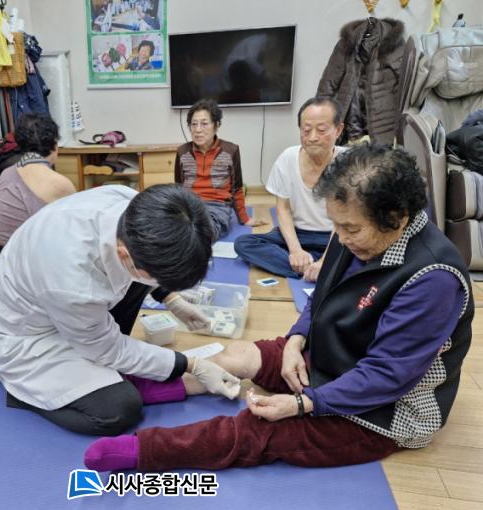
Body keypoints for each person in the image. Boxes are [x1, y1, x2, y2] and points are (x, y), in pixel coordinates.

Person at [83, 144, 474, 473]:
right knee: (239, 356)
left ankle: (145, 450)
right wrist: (296, 339)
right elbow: (322, 296)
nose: (340, 238)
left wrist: (304, 404)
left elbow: (387, 376)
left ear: (397, 218)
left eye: (350, 229)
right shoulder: (356, 231)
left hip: (381, 409)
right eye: (336, 226)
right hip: (330, 358)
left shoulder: (433, 278)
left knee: (258, 430)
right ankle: (150, 389)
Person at [0, 184, 241, 436]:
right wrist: (191, 365)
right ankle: (26, 394)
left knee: (137, 282)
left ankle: (105, 368)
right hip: (25, 336)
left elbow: (148, 262)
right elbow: (108, 349)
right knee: (118, 410)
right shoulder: (73, 282)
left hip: (61, 304)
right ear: (124, 255)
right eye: (158, 279)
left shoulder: (134, 206)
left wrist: (171, 298)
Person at [234, 97, 345, 281]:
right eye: (306, 130)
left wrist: (326, 260)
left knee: (361, 251)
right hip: (298, 234)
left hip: (336, 235)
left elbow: (345, 221)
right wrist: (295, 251)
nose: (313, 137)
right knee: (244, 243)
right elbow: (283, 209)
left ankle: (319, 267)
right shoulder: (288, 158)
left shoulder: (349, 162)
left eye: (321, 130)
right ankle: (317, 270)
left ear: (338, 130)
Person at [175, 98, 258, 241]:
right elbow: (178, 187)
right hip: (189, 205)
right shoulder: (182, 152)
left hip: (217, 206)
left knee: (205, 232)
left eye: (204, 124)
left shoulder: (231, 150)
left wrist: (244, 219)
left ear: (216, 125)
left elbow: (237, 188)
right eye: (193, 124)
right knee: (167, 226)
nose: (198, 130)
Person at [0, 113, 75, 250]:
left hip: (3, 253)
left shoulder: (6, 174)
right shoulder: (60, 183)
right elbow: (73, 230)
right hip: (32, 254)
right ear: (54, 143)